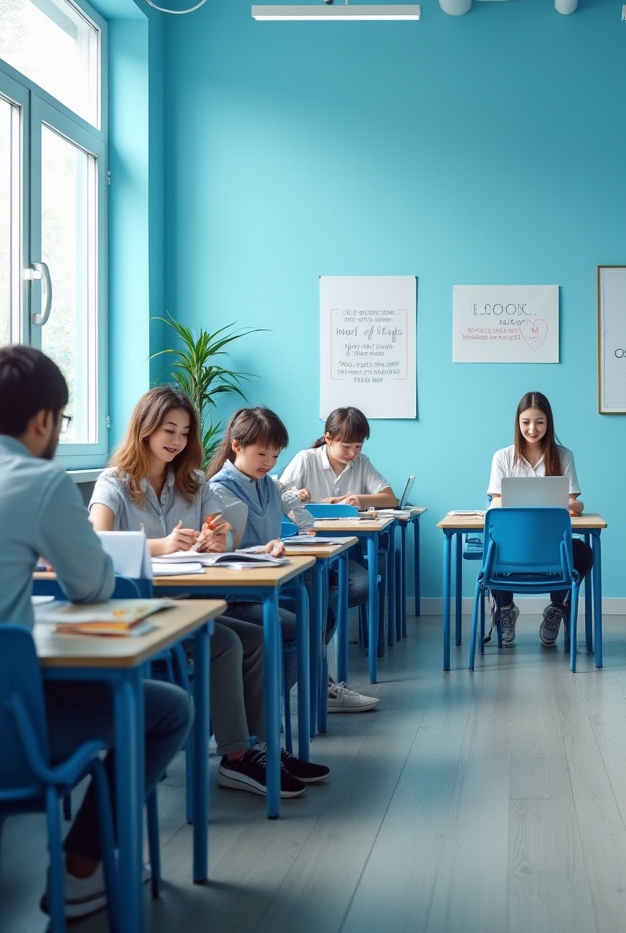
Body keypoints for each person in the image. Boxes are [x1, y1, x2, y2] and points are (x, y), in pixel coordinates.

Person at [0, 346, 193, 920]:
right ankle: (80, 871)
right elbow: (93, 585)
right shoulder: (39, 480)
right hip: (14, 730)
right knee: (166, 709)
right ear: (43, 420)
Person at [88, 387, 328, 797]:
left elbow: (225, 531)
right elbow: (96, 543)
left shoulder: (193, 482)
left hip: (186, 607)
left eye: (184, 433)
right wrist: (160, 546)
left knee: (256, 638)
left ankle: (265, 747)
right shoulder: (115, 481)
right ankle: (236, 758)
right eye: (169, 429)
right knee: (229, 642)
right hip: (136, 613)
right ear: (144, 428)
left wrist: (224, 540)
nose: (177, 440)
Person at [207, 407, 378, 712]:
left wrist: (302, 522)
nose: (270, 463)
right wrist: (266, 548)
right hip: (238, 595)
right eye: (262, 455)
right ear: (236, 446)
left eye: (275, 456)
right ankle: (264, 709)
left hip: (269, 583)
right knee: (304, 625)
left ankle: (296, 695)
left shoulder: (267, 483)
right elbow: (225, 550)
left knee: (323, 608)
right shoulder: (219, 490)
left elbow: (302, 517)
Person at [279, 407, 391, 713]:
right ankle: (321, 681)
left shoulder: (361, 463)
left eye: (359, 446)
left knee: (361, 586)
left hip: (337, 553)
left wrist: (359, 499)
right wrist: (299, 495)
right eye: (347, 446)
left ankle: (316, 677)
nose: (353, 453)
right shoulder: (306, 459)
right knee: (320, 602)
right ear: (327, 438)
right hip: (305, 548)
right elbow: (278, 493)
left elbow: (389, 498)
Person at [486, 391, 594, 648]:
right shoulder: (502, 457)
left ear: (549, 423)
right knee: (493, 549)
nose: (532, 429)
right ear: (517, 422)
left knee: (584, 553)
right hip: (514, 546)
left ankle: (557, 608)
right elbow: (496, 501)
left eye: (539, 422)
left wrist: (572, 505)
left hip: (551, 547)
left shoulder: (563, 456)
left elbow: (575, 501)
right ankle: (505, 609)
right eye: (526, 422)